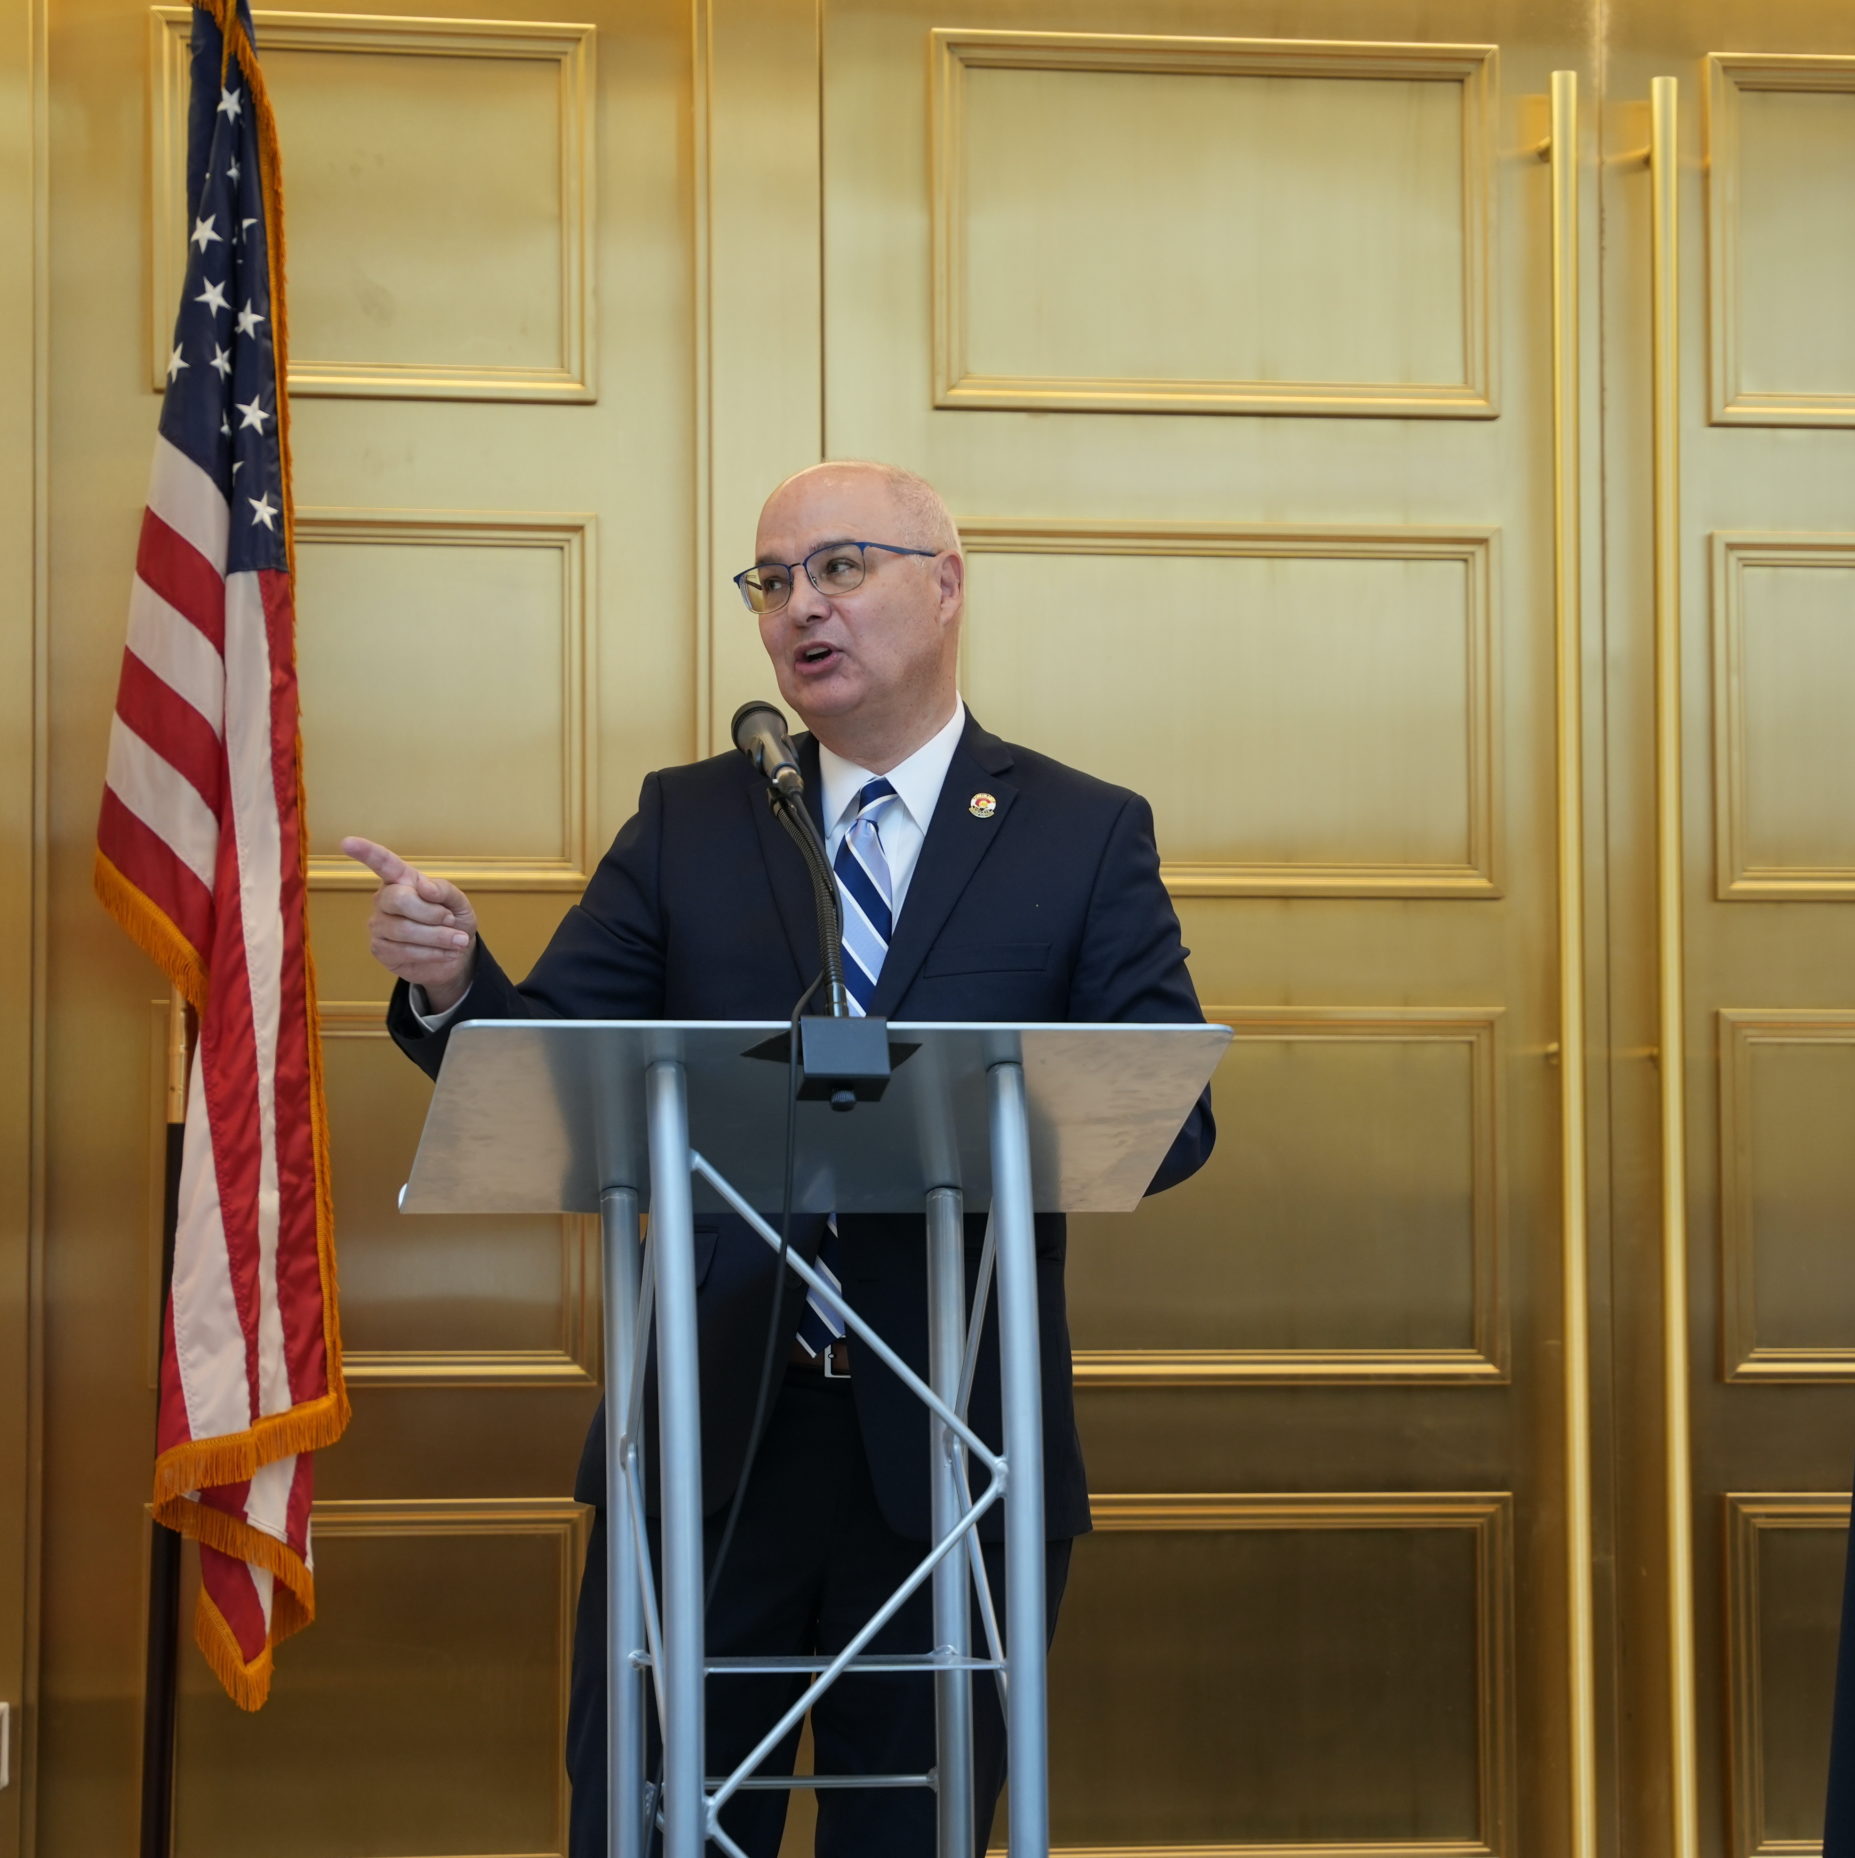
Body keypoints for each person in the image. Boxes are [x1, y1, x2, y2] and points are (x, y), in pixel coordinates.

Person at [346, 459, 1216, 1858]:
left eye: (839, 567)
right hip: (708, 1438)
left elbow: (1169, 1111)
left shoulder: (1078, 828)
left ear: (946, 583)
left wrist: (958, 1116)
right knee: (658, 1820)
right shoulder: (695, 820)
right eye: (773, 580)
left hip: (955, 1445)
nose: (799, 607)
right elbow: (554, 1069)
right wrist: (456, 981)